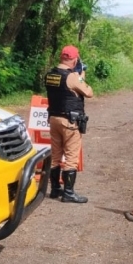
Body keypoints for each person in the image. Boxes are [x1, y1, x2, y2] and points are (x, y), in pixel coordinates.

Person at [44, 45, 94, 203]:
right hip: (69, 122)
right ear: (75, 59)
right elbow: (88, 92)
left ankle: (54, 190)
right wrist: (81, 75)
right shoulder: (72, 77)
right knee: (71, 158)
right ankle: (68, 193)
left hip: (53, 119)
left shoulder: (50, 74)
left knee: (56, 156)